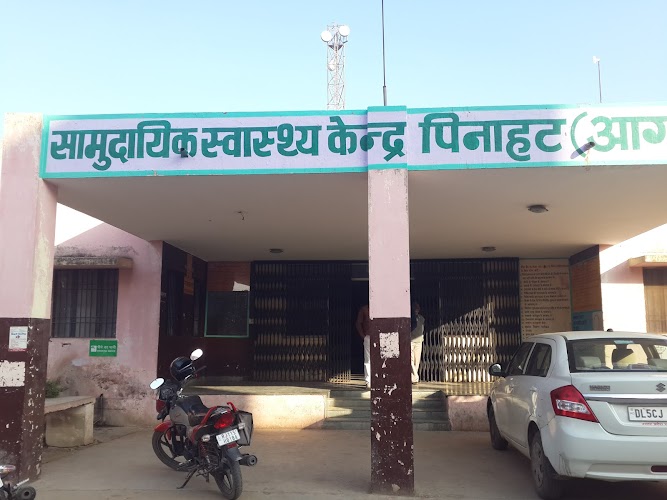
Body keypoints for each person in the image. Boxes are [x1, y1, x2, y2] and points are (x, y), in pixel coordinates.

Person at [355, 304, 371, 388]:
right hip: (369, 336)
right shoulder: (364, 309)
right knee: (368, 359)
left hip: (379, 336)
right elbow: (358, 323)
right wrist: (363, 336)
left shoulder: (380, 308)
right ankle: (368, 380)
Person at [410, 302, 425, 385]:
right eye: (415, 308)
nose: (416, 310)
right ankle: (415, 377)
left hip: (419, 341)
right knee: (411, 359)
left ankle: (413, 377)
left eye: (417, 309)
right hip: (411, 340)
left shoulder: (421, 318)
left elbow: (422, 328)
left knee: (417, 360)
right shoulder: (410, 318)